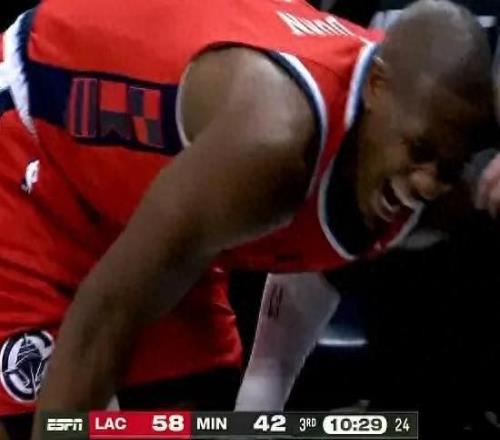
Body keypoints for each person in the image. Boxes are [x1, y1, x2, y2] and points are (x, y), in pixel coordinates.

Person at [0, 0, 491, 437]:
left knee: (197, 421)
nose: (427, 184)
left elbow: (316, 251)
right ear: (376, 88)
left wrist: (263, 399)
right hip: (35, 134)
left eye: (447, 169)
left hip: (160, 198)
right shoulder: (270, 145)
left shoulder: (419, 148)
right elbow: (105, 315)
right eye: (419, 151)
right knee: (56, 418)